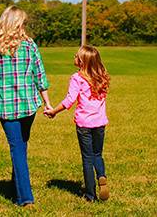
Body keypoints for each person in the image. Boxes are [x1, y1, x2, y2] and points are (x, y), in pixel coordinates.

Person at [0, 5, 52, 208]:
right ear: (18, 24)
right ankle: (18, 187)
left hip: (8, 108)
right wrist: (47, 102)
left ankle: (25, 198)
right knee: (21, 146)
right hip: (29, 106)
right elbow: (40, 77)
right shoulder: (30, 45)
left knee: (18, 148)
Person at [44, 45, 111, 202]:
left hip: (84, 124)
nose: (73, 57)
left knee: (87, 158)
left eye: (76, 56)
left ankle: (90, 195)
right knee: (97, 154)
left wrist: (54, 111)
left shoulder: (77, 78)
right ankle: (101, 176)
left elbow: (69, 101)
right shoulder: (102, 77)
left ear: (81, 61)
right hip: (100, 123)